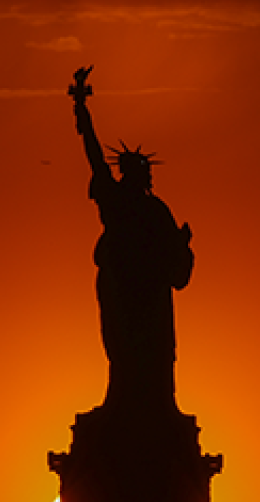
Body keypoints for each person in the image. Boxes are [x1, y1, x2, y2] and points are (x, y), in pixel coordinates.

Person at [70, 66, 193, 409]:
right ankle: (123, 400)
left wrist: (181, 245)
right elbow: (94, 155)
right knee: (122, 348)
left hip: (150, 294)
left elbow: (174, 261)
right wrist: (81, 110)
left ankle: (153, 404)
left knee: (153, 351)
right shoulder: (118, 200)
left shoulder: (155, 210)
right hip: (122, 288)